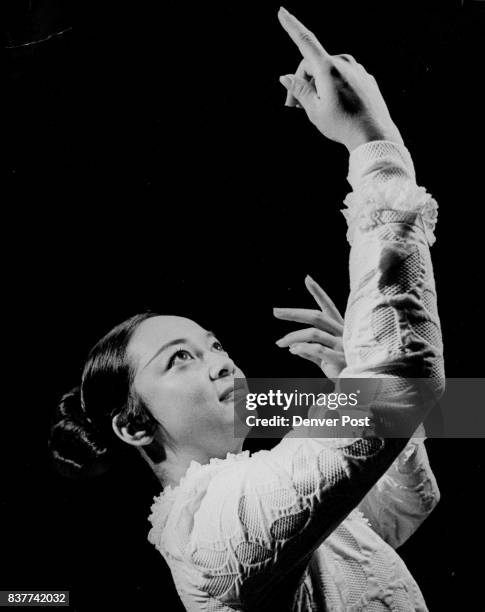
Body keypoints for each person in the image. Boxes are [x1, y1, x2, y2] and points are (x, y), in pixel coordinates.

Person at [49, 7, 445, 611]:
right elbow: (400, 388)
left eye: (214, 345)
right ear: (133, 425)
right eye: (179, 359)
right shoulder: (213, 533)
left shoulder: (267, 491)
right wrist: (372, 140)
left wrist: (349, 386)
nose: (220, 362)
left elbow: (400, 511)